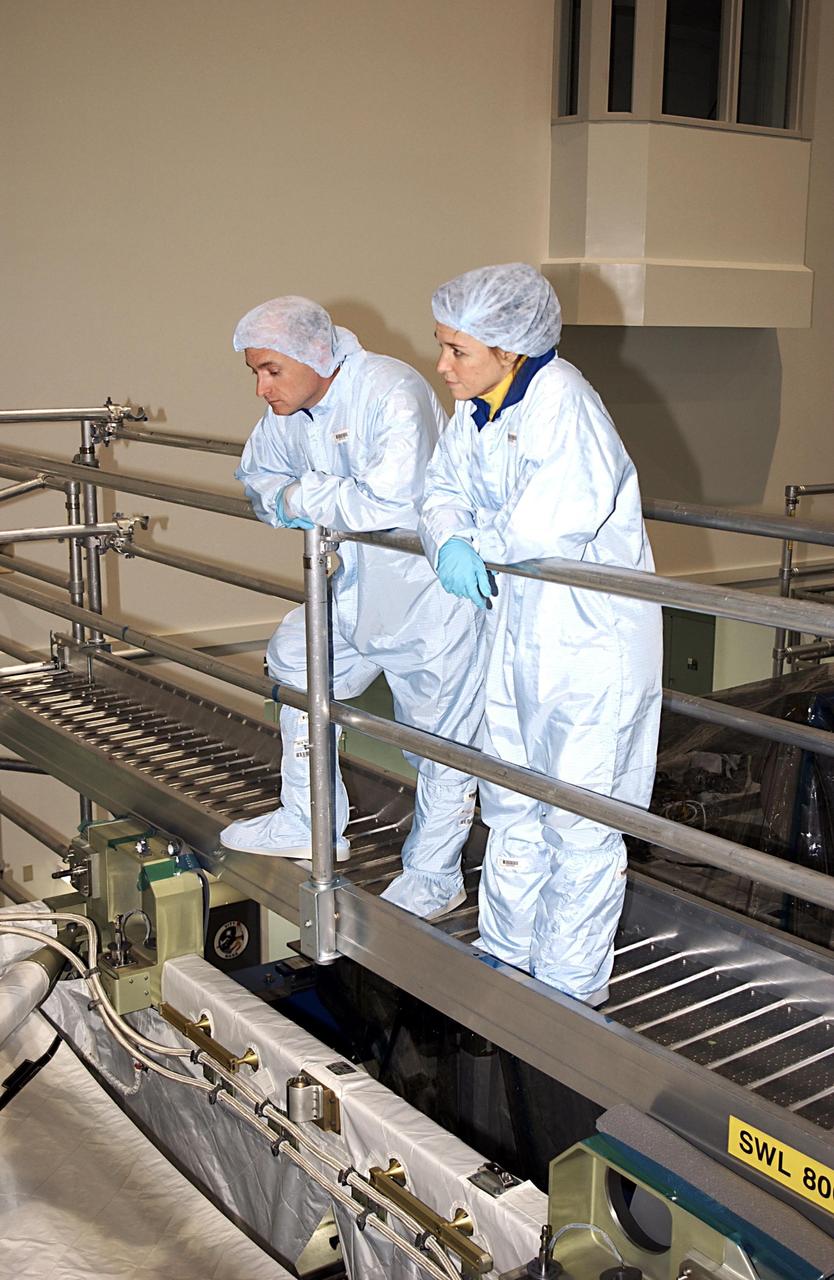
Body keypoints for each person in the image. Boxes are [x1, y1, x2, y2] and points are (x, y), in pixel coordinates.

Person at [420, 263, 662, 1004]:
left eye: (457, 350)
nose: (442, 365)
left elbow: (547, 525)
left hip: (589, 646)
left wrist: (472, 540)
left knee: (580, 822)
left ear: (509, 348)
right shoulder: (479, 410)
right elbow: (439, 492)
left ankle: (567, 984)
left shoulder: (566, 406)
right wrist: (448, 538)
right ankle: (506, 950)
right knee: (513, 800)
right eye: (443, 346)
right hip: (519, 633)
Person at [219, 296, 482, 921]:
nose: (261, 388)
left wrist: (302, 496)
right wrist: (307, 498)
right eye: (254, 372)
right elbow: (257, 482)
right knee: (294, 667)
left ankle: (434, 876)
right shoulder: (292, 411)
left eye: (270, 370)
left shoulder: (391, 390)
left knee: (440, 743)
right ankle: (311, 821)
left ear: (313, 356)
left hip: (425, 598)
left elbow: (391, 502)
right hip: (350, 590)